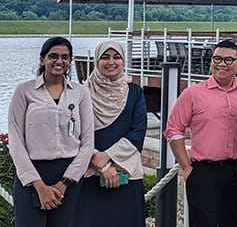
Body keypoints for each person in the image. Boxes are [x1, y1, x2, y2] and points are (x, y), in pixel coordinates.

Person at [8, 36, 94, 227]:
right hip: (31, 175)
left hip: (68, 177)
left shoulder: (80, 93)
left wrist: (64, 183)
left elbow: (87, 142)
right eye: (53, 56)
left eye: (65, 57)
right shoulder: (24, 92)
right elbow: (15, 140)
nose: (59, 61)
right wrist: (39, 186)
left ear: (70, 61)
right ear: (42, 59)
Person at [164, 39, 237, 227]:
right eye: (217, 58)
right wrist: (186, 168)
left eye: (228, 60)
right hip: (204, 172)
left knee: (233, 222)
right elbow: (173, 130)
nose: (221, 64)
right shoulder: (192, 94)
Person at [75, 40, 148, 227]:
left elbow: (138, 131)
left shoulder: (134, 91)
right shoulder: (82, 93)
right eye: (105, 57)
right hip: (90, 174)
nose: (111, 62)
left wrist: (108, 157)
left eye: (117, 57)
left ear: (124, 60)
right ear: (96, 61)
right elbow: (75, 134)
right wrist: (103, 166)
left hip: (126, 173)